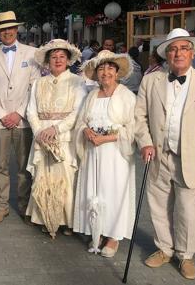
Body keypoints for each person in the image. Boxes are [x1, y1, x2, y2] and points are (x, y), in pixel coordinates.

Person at [135, 28, 195, 280]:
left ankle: (185, 255)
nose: (178, 53)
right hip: (159, 156)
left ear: (192, 53)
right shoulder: (151, 80)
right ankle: (164, 248)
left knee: (188, 210)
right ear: (166, 54)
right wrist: (145, 142)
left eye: (184, 48)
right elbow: (139, 116)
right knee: (159, 206)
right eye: (173, 49)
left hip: (191, 158)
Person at [73, 50, 137, 258]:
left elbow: (132, 128)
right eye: (101, 68)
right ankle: (97, 229)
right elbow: (81, 121)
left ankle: (113, 237)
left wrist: (107, 138)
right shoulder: (91, 96)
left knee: (114, 192)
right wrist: (86, 131)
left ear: (117, 73)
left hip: (115, 154)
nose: (106, 72)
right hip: (93, 153)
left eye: (110, 68)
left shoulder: (126, 96)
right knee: (96, 191)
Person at [0, 11, 40, 224]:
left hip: (23, 120)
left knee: (25, 167)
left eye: (11, 28)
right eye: (3, 29)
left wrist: (19, 113)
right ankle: (2, 206)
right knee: (0, 166)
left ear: (17, 29)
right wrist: (3, 114)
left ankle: (25, 205)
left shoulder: (32, 54)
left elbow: (34, 88)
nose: (7, 32)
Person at [25, 39, 86, 238]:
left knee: (66, 178)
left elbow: (78, 112)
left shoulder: (77, 82)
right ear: (47, 61)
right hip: (42, 137)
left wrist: (56, 129)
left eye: (62, 57)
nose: (58, 60)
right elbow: (31, 111)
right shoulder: (38, 83)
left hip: (64, 138)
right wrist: (38, 132)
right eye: (54, 57)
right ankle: (45, 218)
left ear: (68, 60)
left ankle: (67, 221)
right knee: (43, 177)